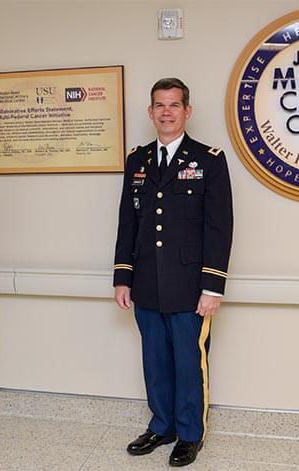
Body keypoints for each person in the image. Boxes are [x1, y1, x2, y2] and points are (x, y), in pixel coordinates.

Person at [113, 78, 233, 467]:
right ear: (150, 112)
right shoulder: (138, 160)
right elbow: (127, 222)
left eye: (174, 105)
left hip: (190, 287)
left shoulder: (208, 160)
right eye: (159, 106)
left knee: (188, 360)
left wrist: (212, 286)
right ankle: (161, 425)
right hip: (147, 283)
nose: (166, 112)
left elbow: (219, 227)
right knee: (155, 360)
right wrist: (123, 276)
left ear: (187, 111)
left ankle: (190, 434)